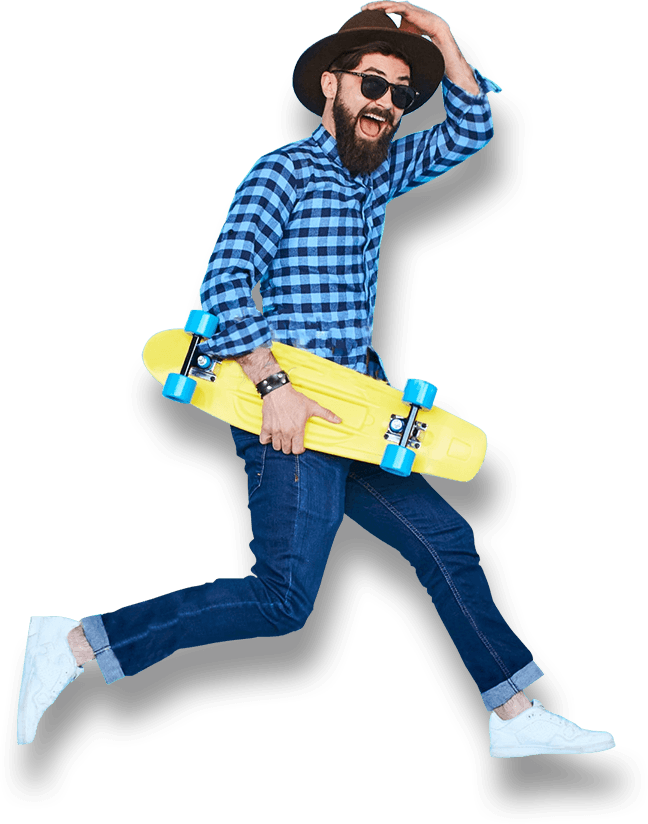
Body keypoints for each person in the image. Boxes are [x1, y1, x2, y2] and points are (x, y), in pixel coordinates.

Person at [17, 2, 616, 758]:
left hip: (359, 417)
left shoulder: (379, 171)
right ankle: (73, 643)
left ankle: (513, 716)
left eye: (402, 93)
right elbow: (224, 286)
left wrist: (440, 37)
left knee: (446, 542)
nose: (388, 104)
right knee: (282, 600)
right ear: (332, 82)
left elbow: (471, 130)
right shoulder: (280, 174)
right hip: (290, 415)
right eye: (374, 84)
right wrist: (274, 389)